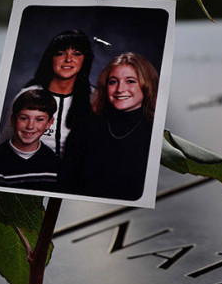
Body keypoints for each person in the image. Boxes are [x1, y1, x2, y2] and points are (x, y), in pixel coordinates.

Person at [59, 52, 159, 201]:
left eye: (130, 81)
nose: (120, 89)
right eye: (113, 82)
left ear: (147, 85)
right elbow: (65, 186)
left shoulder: (157, 133)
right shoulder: (83, 129)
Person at [18, 29, 95, 158]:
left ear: (85, 60)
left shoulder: (96, 97)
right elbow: (6, 142)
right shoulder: (27, 94)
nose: (68, 59)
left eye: (76, 54)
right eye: (60, 53)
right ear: (51, 58)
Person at [0, 89, 59, 190]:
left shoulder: (55, 164)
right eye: (23, 118)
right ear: (13, 120)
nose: (30, 126)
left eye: (39, 119)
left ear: (49, 123)